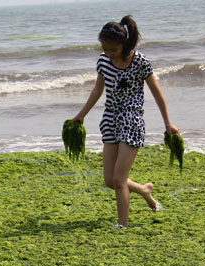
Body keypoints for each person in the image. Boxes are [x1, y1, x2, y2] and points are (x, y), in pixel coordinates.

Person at [73, 15, 179, 229]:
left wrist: (168, 124)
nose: (107, 53)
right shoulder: (103, 61)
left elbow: (157, 93)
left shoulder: (140, 61)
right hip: (110, 119)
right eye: (103, 48)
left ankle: (122, 225)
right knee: (110, 181)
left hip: (131, 120)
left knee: (120, 179)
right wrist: (81, 114)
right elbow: (97, 90)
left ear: (125, 44)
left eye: (112, 49)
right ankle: (143, 190)